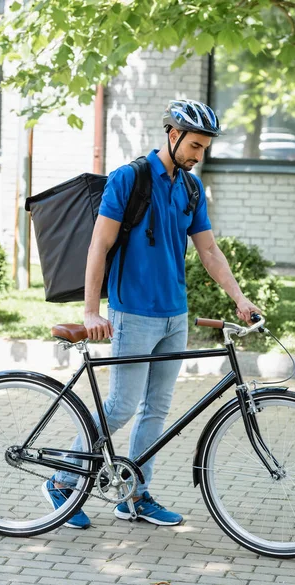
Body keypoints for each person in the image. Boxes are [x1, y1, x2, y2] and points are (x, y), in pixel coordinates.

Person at [42, 99, 261, 528]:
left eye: (205, 147)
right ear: (173, 134)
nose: (199, 154)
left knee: (157, 410)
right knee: (122, 404)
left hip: (174, 315)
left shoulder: (191, 189)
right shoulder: (130, 178)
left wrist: (239, 297)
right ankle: (63, 480)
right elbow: (99, 245)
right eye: (195, 144)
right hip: (133, 312)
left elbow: (209, 251)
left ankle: (135, 495)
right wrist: (91, 311)